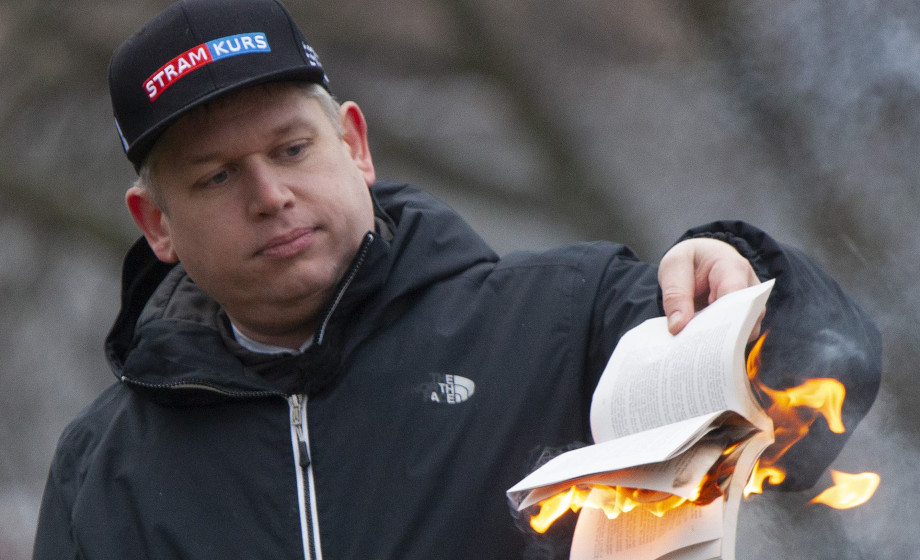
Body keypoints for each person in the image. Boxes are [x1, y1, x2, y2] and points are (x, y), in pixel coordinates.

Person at [32, 0, 881, 558]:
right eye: (217, 176)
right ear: (157, 224)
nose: (270, 195)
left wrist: (739, 273)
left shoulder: (566, 319)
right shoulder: (101, 470)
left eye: (291, 149)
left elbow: (814, 386)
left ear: (355, 146)